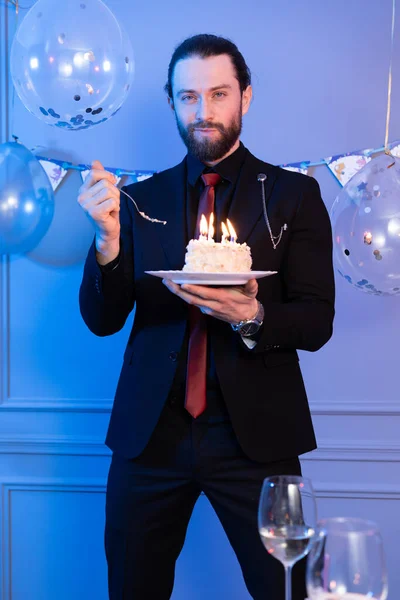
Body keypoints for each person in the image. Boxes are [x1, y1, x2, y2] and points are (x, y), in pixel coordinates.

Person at [78, 33, 335, 600]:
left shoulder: (295, 197)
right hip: (151, 438)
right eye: (188, 97)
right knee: (131, 590)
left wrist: (252, 315)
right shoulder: (135, 201)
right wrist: (107, 242)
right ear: (171, 103)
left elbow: (317, 323)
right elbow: (102, 319)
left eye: (218, 94)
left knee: (288, 589)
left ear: (245, 96)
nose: (203, 111)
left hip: (260, 438)